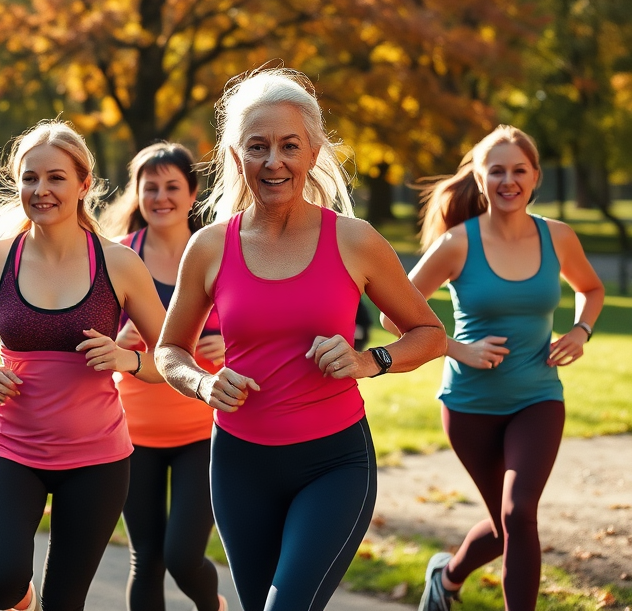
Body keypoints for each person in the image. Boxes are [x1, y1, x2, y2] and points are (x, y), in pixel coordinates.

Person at [154, 68, 448, 611]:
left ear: (313, 152)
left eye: (290, 146)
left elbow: (430, 333)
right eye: (258, 147)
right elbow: (169, 350)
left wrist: (369, 360)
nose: (274, 161)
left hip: (333, 464)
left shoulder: (355, 240)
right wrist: (203, 383)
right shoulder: (209, 247)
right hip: (239, 466)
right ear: (236, 156)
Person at [0, 121, 168, 611]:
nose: (41, 190)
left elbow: (170, 355)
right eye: (30, 178)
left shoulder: (119, 264)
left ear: (83, 185)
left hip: (98, 458)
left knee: (65, 602)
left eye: (56, 178)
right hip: (11, 446)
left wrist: (127, 358)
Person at [384, 125, 604, 611]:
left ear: (535, 176)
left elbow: (591, 289)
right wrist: (457, 348)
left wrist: (580, 331)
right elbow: (392, 311)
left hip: (538, 396)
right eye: (496, 171)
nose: (508, 180)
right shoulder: (458, 244)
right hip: (469, 405)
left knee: (519, 512)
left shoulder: (558, 237)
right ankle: (448, 576)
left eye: (518, 170)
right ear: (479, 180)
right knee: (508, 526)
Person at [100, 142, 226, 611]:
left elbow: (258, 324)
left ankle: (212, 605)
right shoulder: (119, 256)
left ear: (192, 193)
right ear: (137, 193)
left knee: (183, 556)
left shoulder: (216, 251)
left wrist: (231, 347)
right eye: (150, 187)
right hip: (134, 431)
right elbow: (88, 333)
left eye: (172, 186)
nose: (160, 197)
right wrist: (119, 340)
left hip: (204, 430)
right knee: (146, 558)